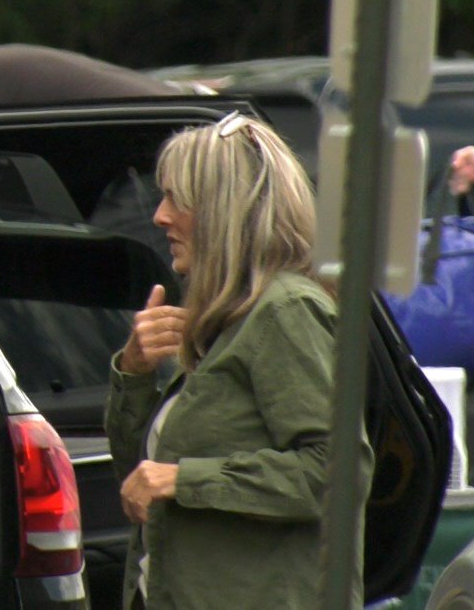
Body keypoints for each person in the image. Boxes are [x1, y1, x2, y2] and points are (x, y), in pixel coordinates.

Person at [106, 112, 369, 609]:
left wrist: (184, 478)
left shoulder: (287, 311)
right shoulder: (230, 324)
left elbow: (336, 473)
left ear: (223, 209)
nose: (159, 216)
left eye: (175, 199)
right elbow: (139, 480)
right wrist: (134, 373)